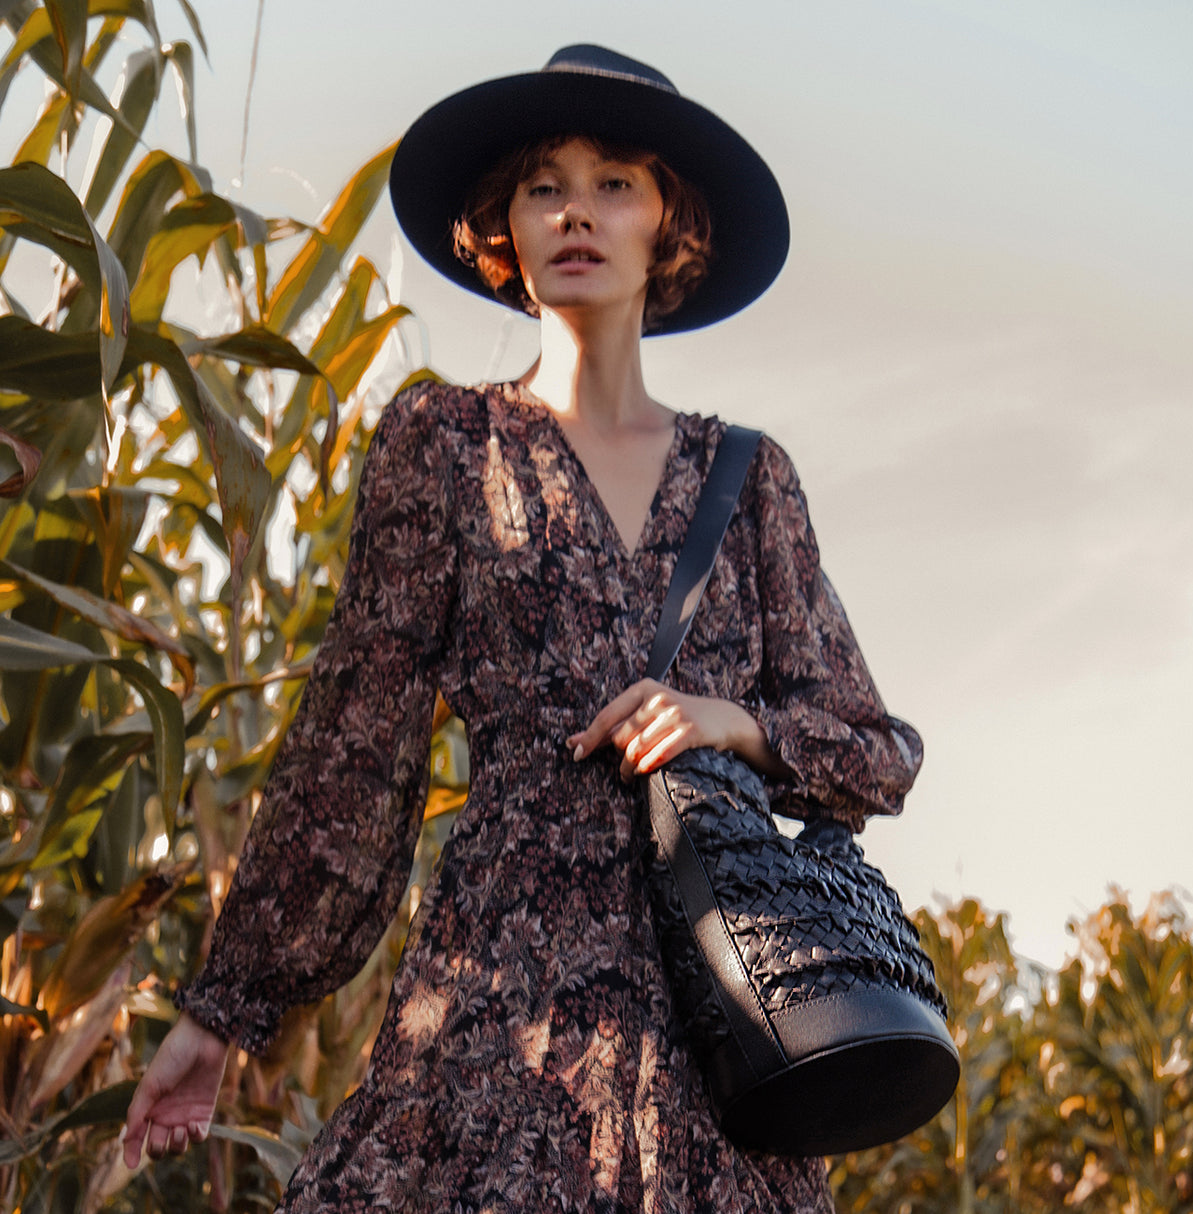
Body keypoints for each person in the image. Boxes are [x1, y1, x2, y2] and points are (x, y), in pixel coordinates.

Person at [122, 45, 923, 1213]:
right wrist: (223, 1011)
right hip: (501, 1003)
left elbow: (870, 748)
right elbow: (353, 750)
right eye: (543, 184)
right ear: (505, 224)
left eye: (614, 183)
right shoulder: (443, 446)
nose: (574, 211)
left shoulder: (748, 479)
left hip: (715, 1016)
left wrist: (726, 722)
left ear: (669, 225)